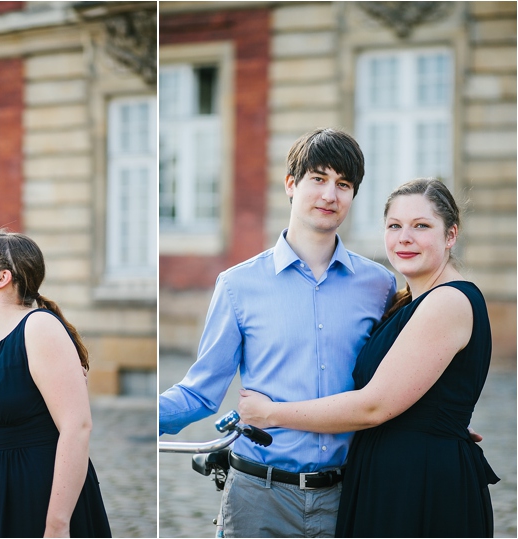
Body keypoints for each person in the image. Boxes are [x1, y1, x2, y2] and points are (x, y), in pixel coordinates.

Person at [159, 128, 397, 537]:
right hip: (258, 496)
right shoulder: (237, 285)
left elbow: (393, 380)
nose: (330, 195)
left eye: (343, 184)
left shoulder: (380, 286)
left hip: (350, 494)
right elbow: (200, 393)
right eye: (318, 179)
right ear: (291, 184)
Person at [239, 178, 499, 537]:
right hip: (394, 473)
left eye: (421, 226)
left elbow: (373, 406)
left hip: (419, 485)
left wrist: (270, 414)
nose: (404, 237)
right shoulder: (407, 300)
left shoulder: (448, 301)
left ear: (450, 235)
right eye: (394, 226)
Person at [0, 230, 111, 538]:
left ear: (1, 278)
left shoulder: (39, 327)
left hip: (36, 490)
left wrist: (57, 524)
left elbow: (77, 427)